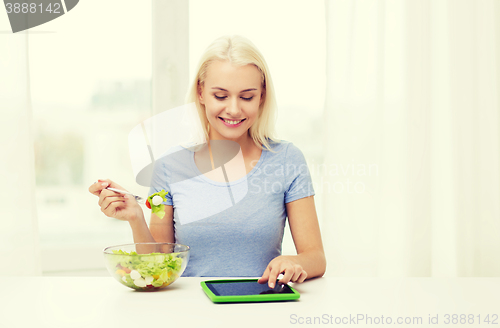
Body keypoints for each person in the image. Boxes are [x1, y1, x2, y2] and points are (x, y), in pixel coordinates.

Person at [89, 35, 326, 288]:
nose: (234, 109)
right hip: (191, 311)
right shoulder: (169, 167)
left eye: (246, 97)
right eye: (221, 96)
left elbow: (316, 258)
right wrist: (136, 216)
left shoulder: (287, 160)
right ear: (201, 93)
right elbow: (157, 264)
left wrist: (294, 263)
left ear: (262, 97)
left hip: (261, 308)